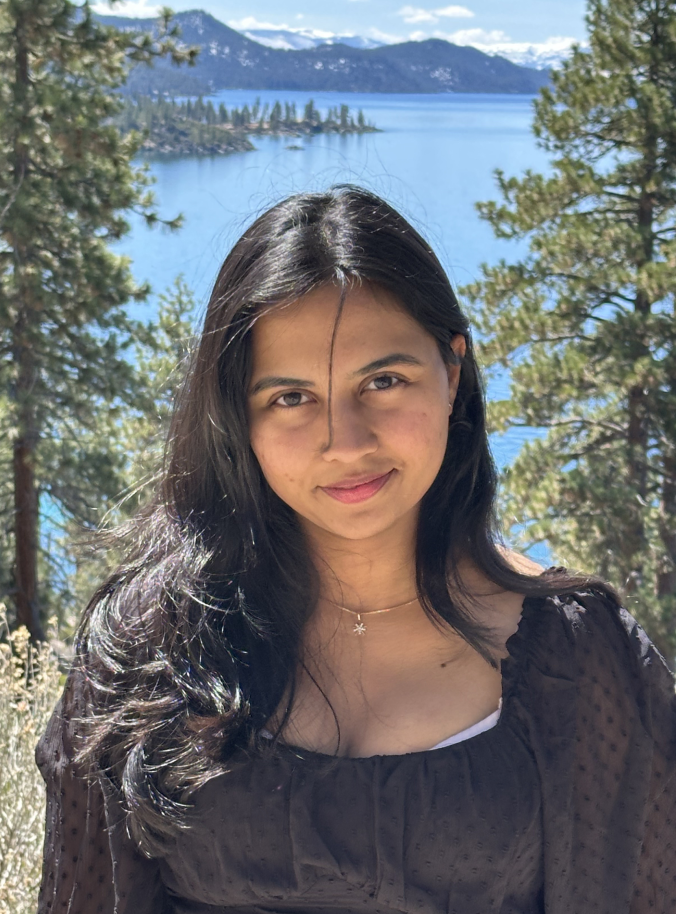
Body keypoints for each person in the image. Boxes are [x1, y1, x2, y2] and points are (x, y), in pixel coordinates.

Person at [36, 186, 676, 914]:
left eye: (384, 380)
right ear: (235, 417)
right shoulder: (150, 653)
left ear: (452, 372)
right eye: (290, 397)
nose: (345, 442)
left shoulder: (578, 659)